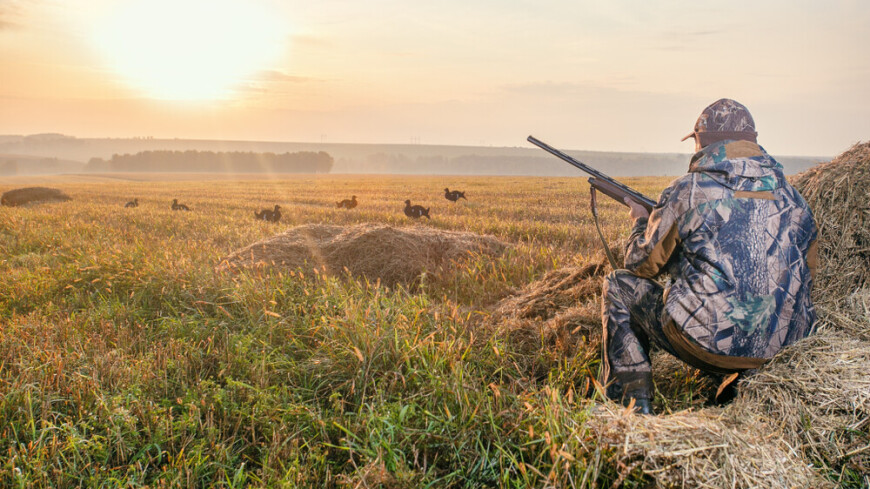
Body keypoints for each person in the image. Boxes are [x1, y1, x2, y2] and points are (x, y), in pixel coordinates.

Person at [600, 98, 818, 415]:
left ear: (702, 142)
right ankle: (743, 384)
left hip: (711, 344)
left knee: (618, 286)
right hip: (783, 348)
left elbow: (640, 264)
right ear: (751, 143)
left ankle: (631, 411)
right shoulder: (794, 198)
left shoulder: (688, 189)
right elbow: (808, 276)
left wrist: (640, 222)